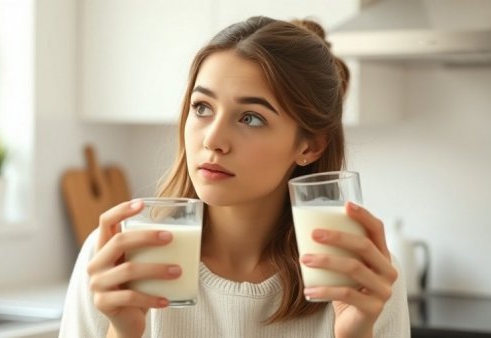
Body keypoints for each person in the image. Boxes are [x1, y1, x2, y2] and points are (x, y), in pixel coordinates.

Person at [59, 16, 410, 338]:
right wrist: (122, 333)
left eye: (251, 118)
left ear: (310, 146)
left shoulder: (361, 275)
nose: (212, 139)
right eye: (202, 108)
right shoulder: (117, 259)